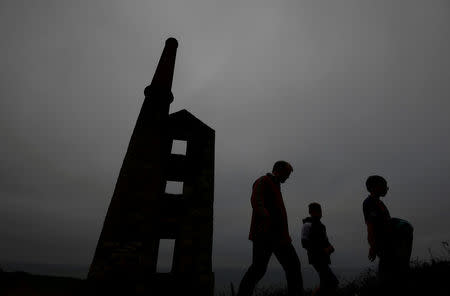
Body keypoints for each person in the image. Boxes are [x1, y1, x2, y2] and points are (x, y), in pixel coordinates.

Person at [237, 161, 304, 296]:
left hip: (279, 236)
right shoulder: (263, 181)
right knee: (260, 269)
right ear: (279, 171)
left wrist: (284, 233)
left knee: (291, 266)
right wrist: (266, 218)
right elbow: (256, 200)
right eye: (287, 174)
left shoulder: (275, 185)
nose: (288, 177)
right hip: (265, 235)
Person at [363, 175, 413, 294]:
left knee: (392, 271)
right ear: (375, 187)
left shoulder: (379, 203)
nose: (387, 189)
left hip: (389, 242)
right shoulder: (370, 203)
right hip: (383, 244)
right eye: (385, 186)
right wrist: (373, 246)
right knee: (388, 273)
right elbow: (371, 226)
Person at [301, 203, 338, 296]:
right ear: (311, 212)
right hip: (316, 258)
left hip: (324, 258)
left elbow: (326, 241)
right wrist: (323, 250)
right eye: (317, 210)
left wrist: (330, 247)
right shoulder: (307, 225)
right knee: (332, 281)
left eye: (320, 210)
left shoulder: (322, 226)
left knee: (325, 283)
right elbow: (304, 243)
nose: (320, 212)